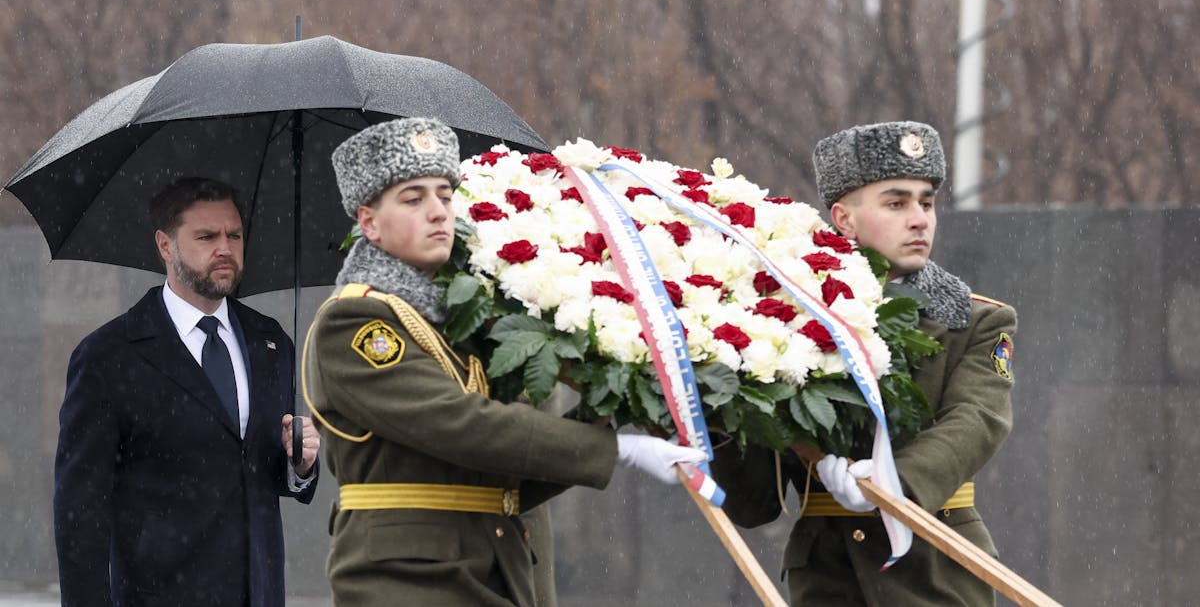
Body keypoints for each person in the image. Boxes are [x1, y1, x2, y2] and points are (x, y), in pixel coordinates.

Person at [306, 117, 706, 607]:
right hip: (407, 583)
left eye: (445, 196)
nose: (438, 213)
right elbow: (462, 425)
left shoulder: (455, 320)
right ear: (369, 223)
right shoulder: (356, 319)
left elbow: (502, 478)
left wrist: (611, 413)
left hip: (489, 574)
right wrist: (614, 449)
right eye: (413, 199)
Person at [712, 121, 1018, 605]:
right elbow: (753, 501)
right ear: (844, 219)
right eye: (897, 204)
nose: (919, 220)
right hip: (827, 579)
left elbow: (978, 418)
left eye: (927, 203)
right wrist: (714, 400)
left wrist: (894, 481)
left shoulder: (976, 320)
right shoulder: (782, 320)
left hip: (934, 574)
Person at [53, 177, 321, 607]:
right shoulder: (109, 355)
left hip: (260, 593)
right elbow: (80, 511)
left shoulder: (270, 341)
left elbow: (264, 470)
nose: (225, 248)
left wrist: (301, 465)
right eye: (207, 236)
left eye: (234, 235)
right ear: (165, 245)